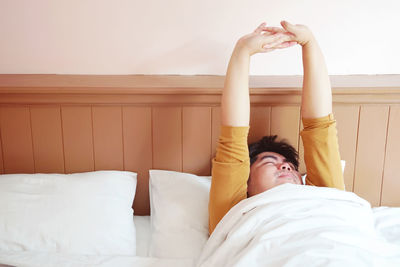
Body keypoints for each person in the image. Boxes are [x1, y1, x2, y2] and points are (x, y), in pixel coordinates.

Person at [208, 21, 345, 235]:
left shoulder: (326, 200)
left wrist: (309, 42)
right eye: (270, 162)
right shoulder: (234, 213)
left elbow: (321, 130)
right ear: (246, 186)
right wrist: (242, 51)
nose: (286, 167)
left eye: (289, 164)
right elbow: (232, 139)